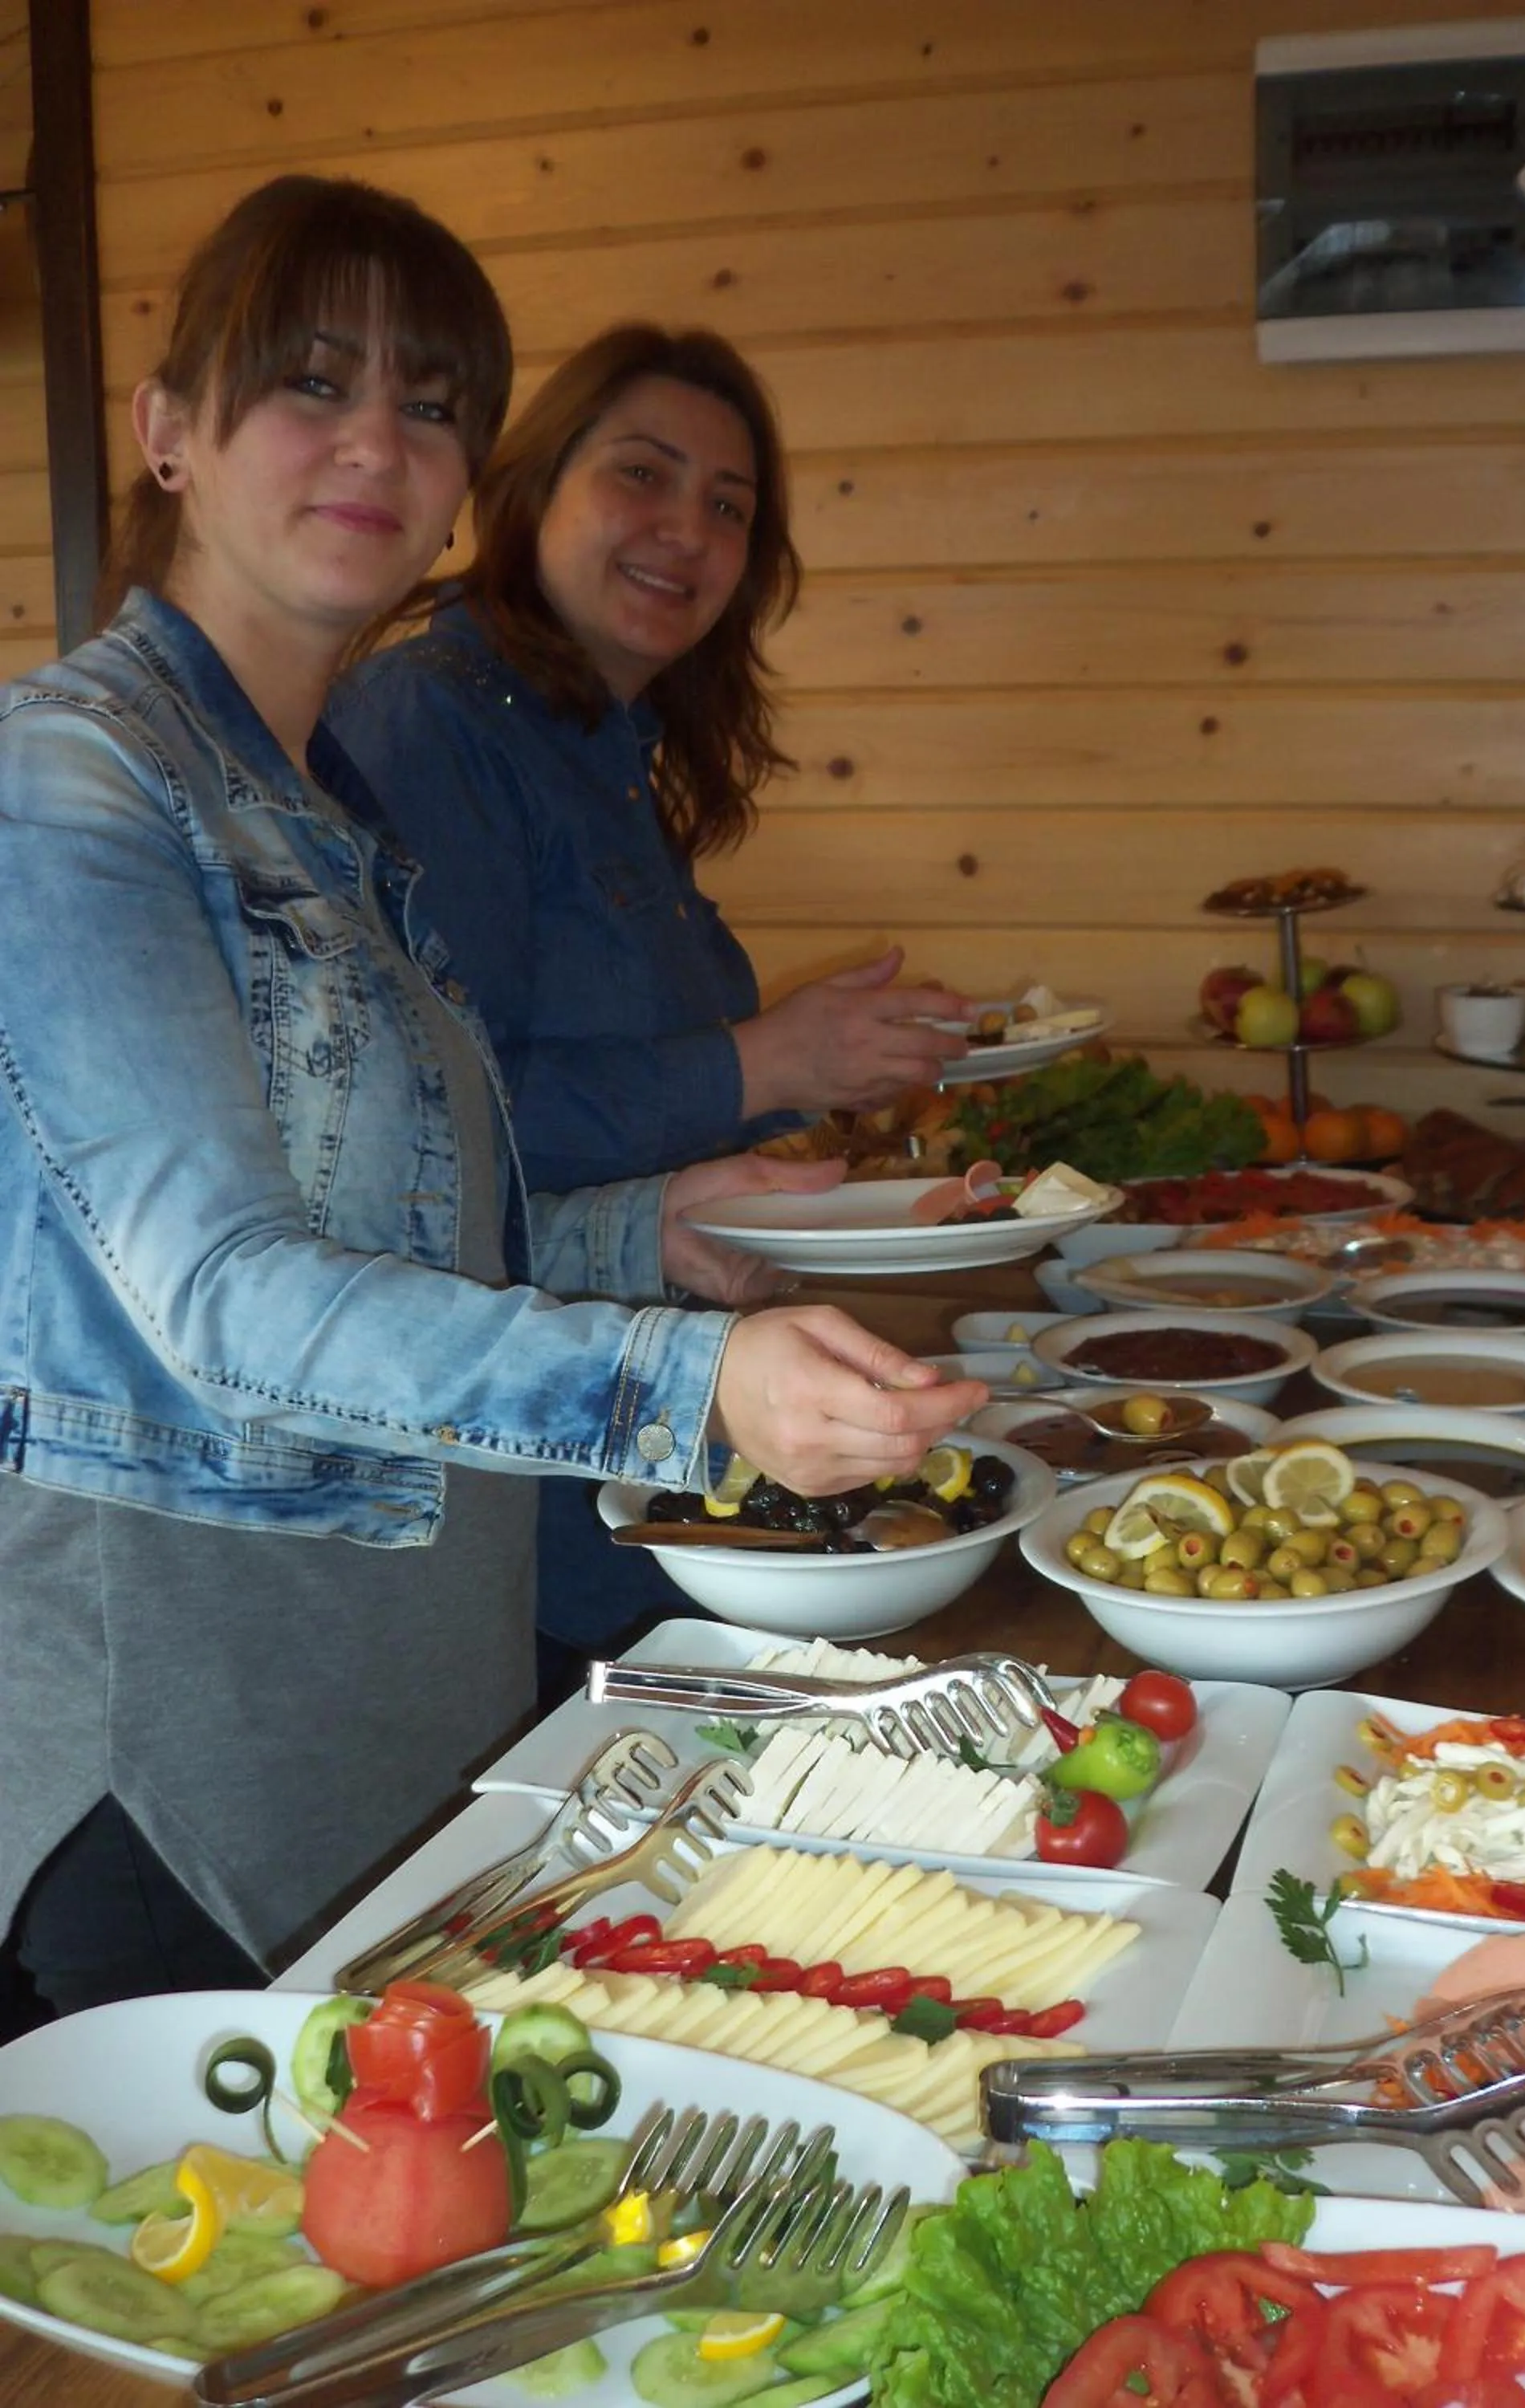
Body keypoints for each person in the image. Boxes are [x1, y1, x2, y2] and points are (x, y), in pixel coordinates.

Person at [0, 178, 983, 2017]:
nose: (378, 439)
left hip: (400, 1703)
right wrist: (678, 1386)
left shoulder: (331, 814)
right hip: (187, 1770)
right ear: (170, 432)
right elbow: (216, 1296)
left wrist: (647, 1235)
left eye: (432, 402)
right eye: (310, 383)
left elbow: (406, 1222)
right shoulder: (74, 784)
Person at [324, 324, 977, 1679]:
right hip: (521, 1499)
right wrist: (762, 1059)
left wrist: (821, 1118)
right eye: (641, 474)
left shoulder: (606, 751)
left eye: (728, 507)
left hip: (652, 1448)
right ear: (530, 490)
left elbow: (636, 1084)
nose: (686, 528)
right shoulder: (429, 719)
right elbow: (440, 1128)